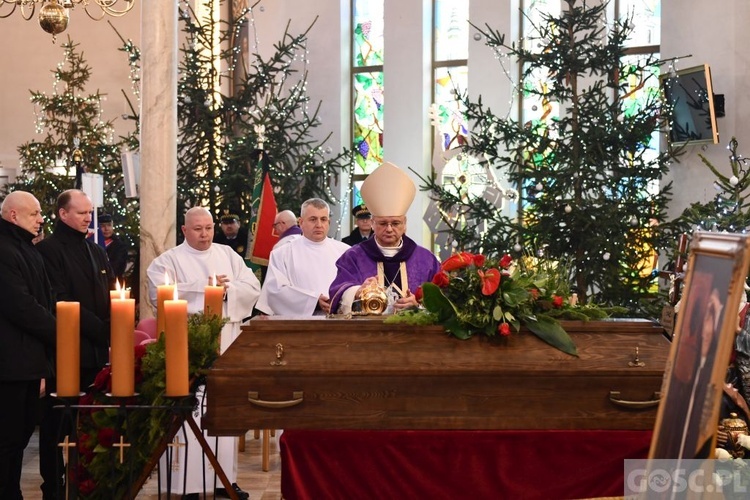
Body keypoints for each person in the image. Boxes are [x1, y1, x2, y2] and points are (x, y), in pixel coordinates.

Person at [147, 206, 261, 500]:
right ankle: (187, 486)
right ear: (184, 230)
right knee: (190, 414)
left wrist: (228, 291)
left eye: (209, 228)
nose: (205, 234)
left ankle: (224, 480)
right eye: (198, 228)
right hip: (186, 346)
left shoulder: (227, 255)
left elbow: (252, 286)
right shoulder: (167, 261)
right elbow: (160, 293)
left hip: (225, 343)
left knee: (223, 411)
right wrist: (206, 289)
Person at [36, 189, 114, 500]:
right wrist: (101, 330)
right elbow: (60, 300)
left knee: (90, 428)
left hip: (96, 355)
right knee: (57, 429)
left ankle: (87, 486)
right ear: (62, 214)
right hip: (67, 353)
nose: (87, 218)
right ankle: (53, 488)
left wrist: (112, 328)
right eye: (81, 212)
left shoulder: (95, 250)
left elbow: (110, 293)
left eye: (89, 212)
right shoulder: (49, 251)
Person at [0, 191, 57, 500]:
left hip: (28, 360)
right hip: (9, 363)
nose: (40, 219)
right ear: (13, 216)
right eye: (34, 213)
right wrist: (60, 331)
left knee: (20, 437)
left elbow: (44, 298)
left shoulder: (27, 248)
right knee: (7, 438)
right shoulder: (4, 249)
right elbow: (20, 305)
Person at [329, 162, 441, 315]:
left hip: (413, 334)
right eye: (383, 223)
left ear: (404, 224)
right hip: (367, 335)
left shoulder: (425, 259)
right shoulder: (354, 257)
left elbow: (443, 299)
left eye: (395, 223)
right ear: (373, 224)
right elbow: (337, 291)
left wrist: (418, 304)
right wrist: (357, 291)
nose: (389, 229)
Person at [256, 198, 349, 316]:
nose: (319, 225)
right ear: (301, 222)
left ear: (329, 222)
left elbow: (353, 286)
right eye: (313, 219)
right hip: (300, 325)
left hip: (339, 322)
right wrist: (313, 301)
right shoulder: (282, 254)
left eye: (323, 219)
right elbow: (275, 291)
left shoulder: (345, 252)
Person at [98, 213, 129, 282]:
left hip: (113, 282)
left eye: (109, 225)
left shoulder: (120, 246)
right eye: (102, 226)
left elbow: (117, 267)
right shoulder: (94, 243)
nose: (106, 229)